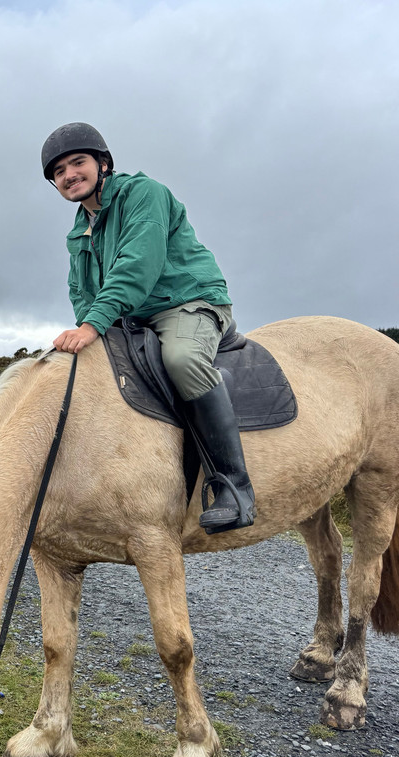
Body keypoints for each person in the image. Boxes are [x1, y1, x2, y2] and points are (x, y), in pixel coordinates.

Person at [42, 122, 254, 533]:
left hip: (187, 301)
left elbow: (137, 265)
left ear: (103, 164)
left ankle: (234, 487)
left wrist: (93, 325)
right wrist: (89, 324)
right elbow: (80, 291)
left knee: (182, 359)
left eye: (78, 162)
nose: (69, 174)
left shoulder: (144, 194)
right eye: (59, 171)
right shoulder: (79, 230)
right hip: (131, 316)